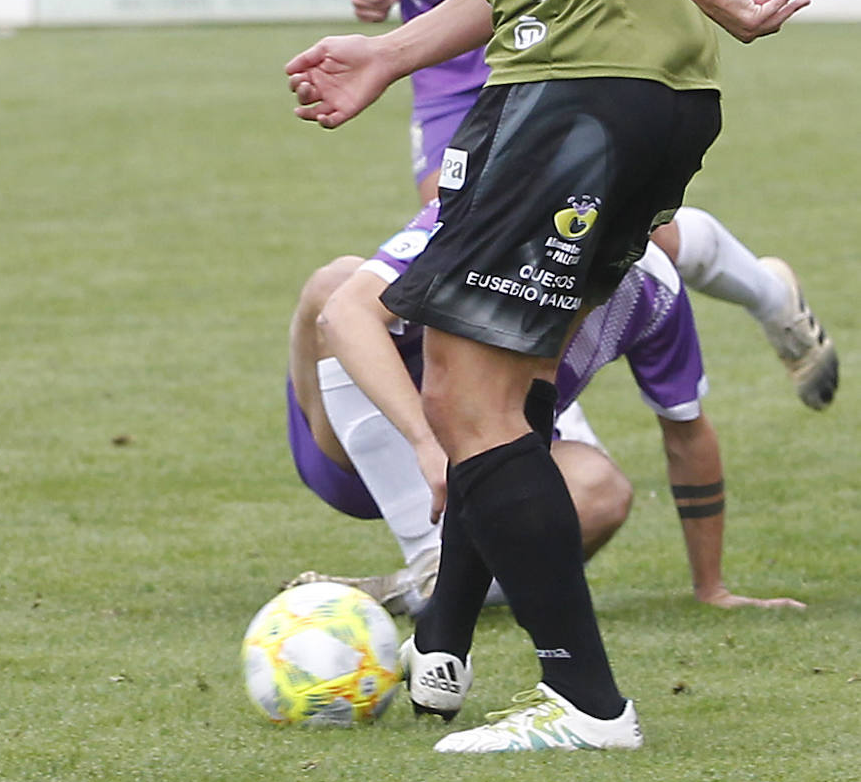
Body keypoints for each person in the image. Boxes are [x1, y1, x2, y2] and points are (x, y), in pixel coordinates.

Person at [267, 0, 808, 754]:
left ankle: (585, 704)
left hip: (578, 88)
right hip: (617, 88)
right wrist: (391, 55)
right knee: (507, 388)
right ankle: (447, 646)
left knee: (461, 388)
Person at [300, 0, 837, 408]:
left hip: (553, 25)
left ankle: (762, 296)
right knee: (467, 252)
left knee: (627, 240)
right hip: (441, 51)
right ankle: (521, 432)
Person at [284, 209, 806, 627]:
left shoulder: (653, 293)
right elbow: (345, 315)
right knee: (335, 284)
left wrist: (711, 588)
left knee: (601, 491)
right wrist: (424, 441)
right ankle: (427, 560)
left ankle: (415, 589)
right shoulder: (487, 213)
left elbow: (686, 432)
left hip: (485, 467)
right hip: (358, 456)